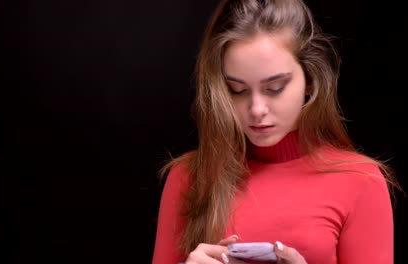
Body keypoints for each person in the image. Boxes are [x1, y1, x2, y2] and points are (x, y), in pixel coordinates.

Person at [152, 0, 401, 263]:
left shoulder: (361, 181)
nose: (256, 109)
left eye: (275, 87)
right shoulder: (189, 178)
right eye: (237, 90)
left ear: (310, 80)